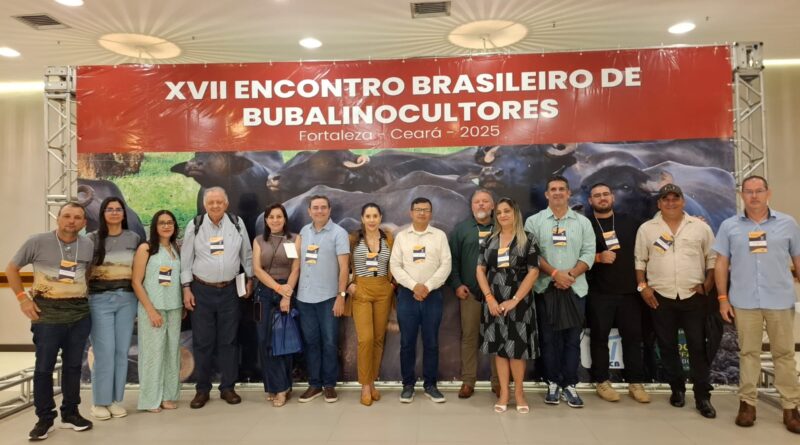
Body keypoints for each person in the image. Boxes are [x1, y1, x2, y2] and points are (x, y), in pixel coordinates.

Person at [713, 175, 800, 433]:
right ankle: (747, 404)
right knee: (748, 353)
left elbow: (798, 258)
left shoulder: (788, 223)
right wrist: (722, 298)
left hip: (780, 300)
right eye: (748, 191)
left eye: (758, 191)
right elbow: (721, 264)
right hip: (744, 301)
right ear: (742, 195)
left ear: (768, 193)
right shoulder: (729, 226)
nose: (754, 196)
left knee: (784, 355)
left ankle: (790, 407)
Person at [6, 202, 94, 440]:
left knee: (73, 367)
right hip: (47, 317)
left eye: (77, 217)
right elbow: (12, 269)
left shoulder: (87, 244)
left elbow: (86, 274)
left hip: (79, 316)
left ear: (84, 222)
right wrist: (23, 299)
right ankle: (44, 418)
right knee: (44, 368)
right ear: (58, 218)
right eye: (67, 216)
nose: (71, 221)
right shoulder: (37, 241)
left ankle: (70, 413)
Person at [634, 184, 717, 419]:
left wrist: (708, 284)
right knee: (667, 345)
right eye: (666, 199)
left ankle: (702, 396)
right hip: (660, 296)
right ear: (659, 203)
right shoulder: (647, 229)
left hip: (694, 295)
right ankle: (677, 389)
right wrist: (643, 288)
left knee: (697, 346)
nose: (671, 202)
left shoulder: (700, 227)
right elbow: (640, 261)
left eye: (675, 198)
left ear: (683, 201)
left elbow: (712, 258)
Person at [524, 175, 595, 408]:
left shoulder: (582, 223)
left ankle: (570, 384)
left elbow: (588, 254)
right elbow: (532, 254)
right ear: (546, 194)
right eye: (553, 189)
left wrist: (570, 275)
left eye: (561, 189)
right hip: (546, 288)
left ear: (568, 193)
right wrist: (555, 274)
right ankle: (553, 383)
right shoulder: (534, 222)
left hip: (575, 289)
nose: (557, 193)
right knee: (549, 339)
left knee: (572, 340)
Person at [181, 187, 253, 409]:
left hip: (230, 291)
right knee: (203, 342)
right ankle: (202, 390)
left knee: (228, 341)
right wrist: (186, 288)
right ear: (205, 205)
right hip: (201, 290)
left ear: (226, 204)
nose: (215, 206)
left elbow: (247, 254)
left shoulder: (237, 223)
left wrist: (250, 278)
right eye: (211, 202)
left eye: (219, 202)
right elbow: (185, 259)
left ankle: (228, 388)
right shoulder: (195, 225)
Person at [585, 183, 650, 403]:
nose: (602, 198)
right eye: (597, 195)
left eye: (605, 194)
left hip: (629, 293)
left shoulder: (631, 222)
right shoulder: (584, 224)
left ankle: (635, 383)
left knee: (632, 339)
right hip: (598, 293)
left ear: (612, 197)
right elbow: (572, 253)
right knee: (599, 339)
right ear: (590, 200)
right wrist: (597, 258)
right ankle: (602, 382)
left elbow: (655, 233)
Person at [476, 197, 540, 413]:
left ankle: (519, 393)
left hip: (519, 302)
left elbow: (534, 271)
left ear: (515, 213)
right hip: (494, 301)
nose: (503, 215)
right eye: (499, 212)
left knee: (516, 350)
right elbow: (480, 270)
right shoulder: (489, 240)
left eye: (507, 211)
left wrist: (515, 300)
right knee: (500, 349)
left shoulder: (528, 239)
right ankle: (504, 393)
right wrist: (489, 298)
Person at [390, 197, 452, 404]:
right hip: (407, 296)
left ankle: (430, 385)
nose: (422, 213)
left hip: (432, 295)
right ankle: (408, 385)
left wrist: (428, 286)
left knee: (431, 342)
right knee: (407, 343)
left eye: (426, 210)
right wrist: (414, 286)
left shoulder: (439, 236)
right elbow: (395, 265)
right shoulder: (402, 237)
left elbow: (446, 265)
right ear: (411, 213)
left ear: (431, 213)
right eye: (418, 209)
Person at [86, 197, 141, 420]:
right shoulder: (91, 239)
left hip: (127, 300)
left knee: (121, 351)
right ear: (103, 213)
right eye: (110, 209)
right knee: (104, 352)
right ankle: (100, 401)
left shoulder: (133, 238)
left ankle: (116, 399)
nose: (115, 212)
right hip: (99, 300)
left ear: (124, 214)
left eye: (119, 209)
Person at [295, 195, 350, 403]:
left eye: (323, 207)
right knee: (311, 343)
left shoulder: (339, 233)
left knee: (329, 342)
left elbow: (344, 268)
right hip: (304, 298)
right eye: (315, 208)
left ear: (329, 210)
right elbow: (297, 263)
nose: (319, 211)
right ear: (309, 211)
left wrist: (341, 296)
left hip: (328, 298)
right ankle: (314, 384)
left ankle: (329, 385)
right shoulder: (304, 232)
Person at [449, 189, 500, 398]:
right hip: (470, 294)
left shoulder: (502, 227)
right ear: (471, 206)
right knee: (469, 337)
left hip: (498, 295)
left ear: (492, 205)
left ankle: (499, 382)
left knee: (497, 338)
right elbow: (453, 260)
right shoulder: (462, 230)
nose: (481, 205)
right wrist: (457, 284)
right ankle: (468, 381)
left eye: (485, 201)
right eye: (476, 202)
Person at [131, 210, 182, 412]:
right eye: (162, 223)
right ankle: (151, 399)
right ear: (155, 226)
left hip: (174, 307)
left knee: (171, 353)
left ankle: (168, 396)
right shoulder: (146, 248)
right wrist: (150, 310)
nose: (166, 226)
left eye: (170, 222)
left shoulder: (175, 248)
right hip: (153, 307)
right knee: (153, 354)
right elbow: (136, 282)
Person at [347, 203, 395, 406]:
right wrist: (349, 285)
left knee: (378, 339)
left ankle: (372, 382)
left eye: (375, 216)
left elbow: (395, 262)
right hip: (362, 290)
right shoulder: (353, 239)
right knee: (365, 339)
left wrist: (392, 285)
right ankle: (365, 386)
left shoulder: (388, 238)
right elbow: (343, 264)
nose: (372, 220)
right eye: (368, 216)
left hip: (383, 289)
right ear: (362, 218)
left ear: (380, 217)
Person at [252, 204, 299, 408]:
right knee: (264, 340)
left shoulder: (294, 239)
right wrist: (277, 289)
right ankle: (272, 386)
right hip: (263, 294)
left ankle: (282, 388)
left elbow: (296, 268)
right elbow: (257, 269)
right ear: (266, 220)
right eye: (271, 217)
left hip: (286, 291)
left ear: (285, 219)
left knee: (281, 341)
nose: (275, 220)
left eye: (279, 216)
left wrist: (286, 293)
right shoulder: (258, 240)